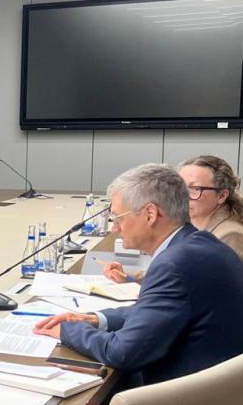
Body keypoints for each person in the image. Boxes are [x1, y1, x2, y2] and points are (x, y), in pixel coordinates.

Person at [33, 163, 243, 386]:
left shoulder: (174, 264)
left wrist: (69, 331)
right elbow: (158, 309)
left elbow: (123, 353)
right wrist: (96, 319)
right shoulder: (202, 243)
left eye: (118, 218)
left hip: (180, 396)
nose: (114, 228)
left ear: (150, 214)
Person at [102, 155, 243, 282]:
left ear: (222, 196)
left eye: (195, 189)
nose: (183, 196)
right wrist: (129, 277)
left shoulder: (231, 235)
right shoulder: (194, 224)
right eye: (181, 189)